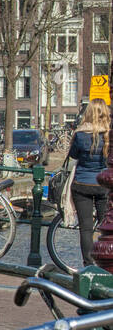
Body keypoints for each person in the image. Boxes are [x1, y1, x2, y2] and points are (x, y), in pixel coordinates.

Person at [66, 100, 111, 268]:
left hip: (82, 183)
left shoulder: (80, 134)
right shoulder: (109, 134)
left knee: (85, 228)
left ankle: (88, 265)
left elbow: (74, 156)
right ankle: (105, 264)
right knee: (105, 227)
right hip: (103, 187)